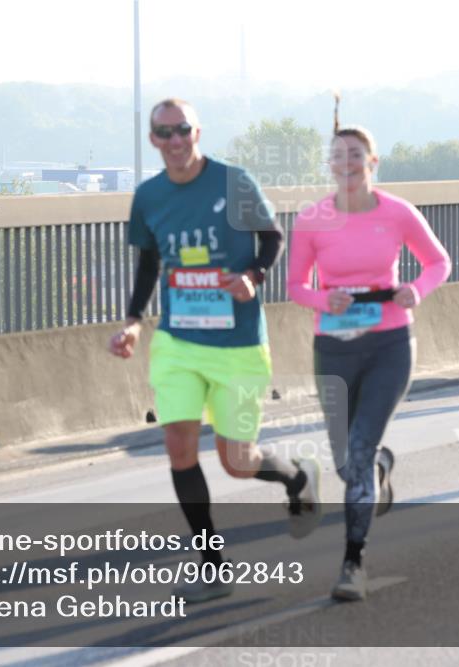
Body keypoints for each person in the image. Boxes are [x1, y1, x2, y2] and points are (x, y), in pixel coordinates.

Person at [108, 98, 321, 603]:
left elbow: (273, 238)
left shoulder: (234, 182)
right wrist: (134, 323)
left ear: (197, 131)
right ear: (153, 141)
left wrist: (252, 276)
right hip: (178, 342)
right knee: (179, 446)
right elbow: (148, 263)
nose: (175, 140)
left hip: (239, 344)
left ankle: (296, 478)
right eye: (165, 133)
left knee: (237, 461)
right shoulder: (149, 196)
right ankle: (211, 564)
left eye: (183, 129)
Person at [287, 98, 451, 601]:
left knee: (355, 452)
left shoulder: (397, 212)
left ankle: (352, 563)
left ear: (372, 163)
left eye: (357, 154)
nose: (348, 163)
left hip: (387, 343)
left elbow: (437, 263)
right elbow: (295, 285)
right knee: (345, 460)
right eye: (339, 155)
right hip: (333, 347)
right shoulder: (312, 219)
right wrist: (323, 297)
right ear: (330, 165)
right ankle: (378, 469)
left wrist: (414, 291)